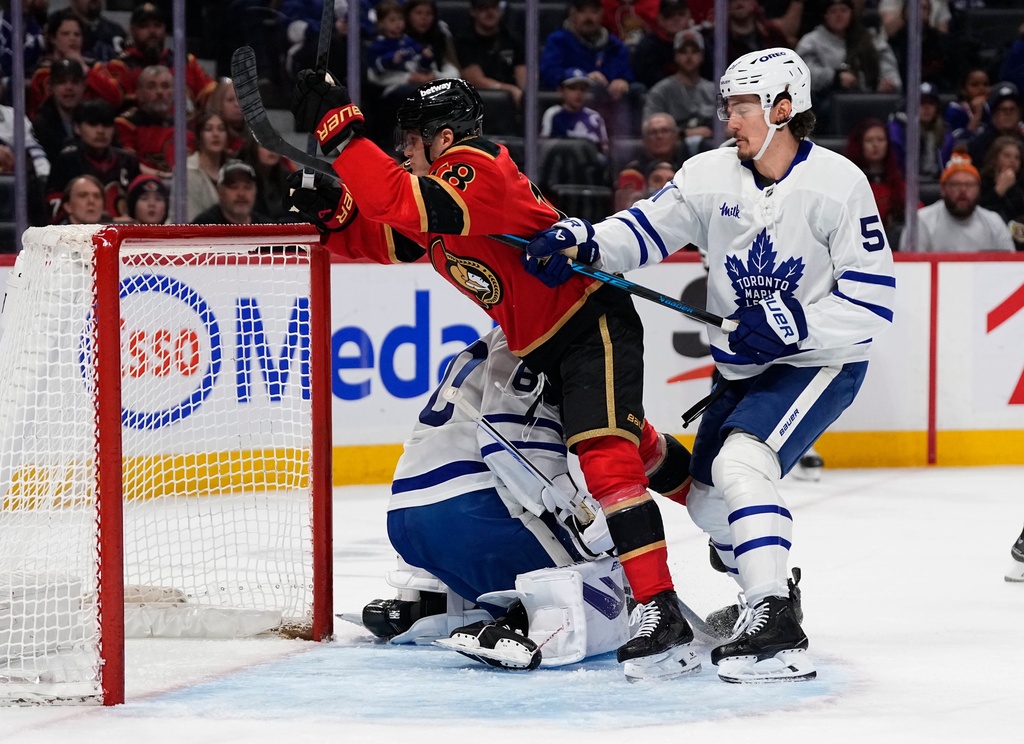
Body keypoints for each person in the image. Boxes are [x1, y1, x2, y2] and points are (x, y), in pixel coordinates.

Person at [286, 74, 699, 680]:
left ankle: (660, 611)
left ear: (443, 138)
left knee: (606, 457)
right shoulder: (438, 191)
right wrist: (336, 215)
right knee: (634, 441)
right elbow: (387, 237)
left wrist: (345, 135)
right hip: (539, 345)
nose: (403, 150)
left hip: (589, 325)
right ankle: (723, 510)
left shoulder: (477, 166)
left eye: (410, 140)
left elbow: (403, 202)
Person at [524, 47, 897, 683]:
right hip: (741, 368)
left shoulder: (839, 184)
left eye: (744, 106)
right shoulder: (708, 175)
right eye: (728, 105)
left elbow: (874, 301)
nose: (729, 118)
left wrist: (793, 323)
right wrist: (582, 239)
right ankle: (771, 586)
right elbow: (641, 231)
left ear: (784, 109)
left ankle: (774, 617)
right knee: (705, 500)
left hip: (823, 362)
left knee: (741, 462)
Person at [357, 326, 684, 669]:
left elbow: (641, 448)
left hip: (406, 519)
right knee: (600, 596)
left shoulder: (506, 335)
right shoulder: (553, 344)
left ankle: (432, 604)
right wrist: (585, 522)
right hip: (472, 514)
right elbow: (510, 447)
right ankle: (521, 622)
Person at [795, 0, 901, 121]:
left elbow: (887, 65)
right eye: (833, 11)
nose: (839, 15)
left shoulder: (870, 38)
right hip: (826, 100)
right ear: (825, 15)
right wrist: (835, 77)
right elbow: (802, 73)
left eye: (843, 10)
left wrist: (888, 82)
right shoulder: (811, 41)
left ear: (851, 13)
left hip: (868, 95)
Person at [901, 149, 1016, 253]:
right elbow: (911, 266)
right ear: (943, 189)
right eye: (956, 185)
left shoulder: (993, 221)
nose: (963, 191)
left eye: (969, 185)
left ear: (978, 189)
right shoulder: (921, 220)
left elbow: (1009, 265)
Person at [107, 2, 216, 112]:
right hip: (139, 127)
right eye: (144, 26)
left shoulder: (184, 61)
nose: (152, 31)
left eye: (157, 25)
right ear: (133, 30)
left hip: (185, 126)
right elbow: (116, 100)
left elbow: (212, 94)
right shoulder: (122, 65)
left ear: (165, 29)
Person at [46, 99, 139, 223]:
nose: (100, 131)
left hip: (122, 230)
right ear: (77, 128)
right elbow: (55, 206)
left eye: (106, 125)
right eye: (93, 124)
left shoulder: (128, 160)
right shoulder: (67, 160)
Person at [27, 9, 122, 120]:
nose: (73, 39)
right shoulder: (43, 74)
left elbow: (116, 98)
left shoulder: (94, 67)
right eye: (65, 34)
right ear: (53, 39)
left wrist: (84, 68)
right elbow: (49, 109)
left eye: (77, 34)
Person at [642, 27, 715, 159]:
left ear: (702, 56)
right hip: (673, 153)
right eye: (683, 52)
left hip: (712, 150)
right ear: (675, 56)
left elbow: (730, 125)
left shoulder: (714, 90)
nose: (689, 57)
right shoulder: (661, 91)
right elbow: (649, 127)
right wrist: (683, 133)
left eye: (694, 52)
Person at [115, 64, 191, 177]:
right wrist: (163, 175)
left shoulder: (182, 125)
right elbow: (128, 163)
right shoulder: (126, 124)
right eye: (151, 87)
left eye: (165, 86)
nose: (159, 92)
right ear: (139, 93)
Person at [454, 0, 526, 107]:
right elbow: (475, 80)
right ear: (473, 12)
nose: (490, 12)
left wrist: (523, 95)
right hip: (476, 104)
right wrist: (510, 89)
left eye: (494, 7)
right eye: (483, 8)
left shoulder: (512, 39)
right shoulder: (464, 41)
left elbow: (524, 79)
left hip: (511, 105)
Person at [845, 117, 906, 231]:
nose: (875, 145)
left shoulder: (896, 180)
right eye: (869, 140)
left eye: (880, 140)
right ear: (860, 144)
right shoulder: (848, 180)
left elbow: (917, 212)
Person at [887, 82, 954, 182]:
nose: (927, 108)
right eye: (921, 103)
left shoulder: (945, 133)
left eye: (931, 103)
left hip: (937, 182)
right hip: (906, 183)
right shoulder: (899, 128)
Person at [540, 68, 609, 155]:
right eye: (572, 88)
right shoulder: (553, 114)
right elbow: (545, 147)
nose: (578, 93)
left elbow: (603, 149)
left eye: (582, 89)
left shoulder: (595, 117)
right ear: (561, 91)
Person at [31, 58, 88, 163]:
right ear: (50, 87)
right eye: (61, 82)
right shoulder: (40, 124)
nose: (69, 87)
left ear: (84, 85)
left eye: (75, 81)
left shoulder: (92, 117)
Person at [631, 0, 693, 91]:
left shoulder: (699, 42)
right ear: (659, 18)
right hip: (659, 97)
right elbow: (650, 80)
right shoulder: (648, 46)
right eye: (668, 15)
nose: (676, 19)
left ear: (689, 16)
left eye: (681, 14)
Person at [192, 161, 271, 225]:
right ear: (220, 191)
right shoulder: (203, 227)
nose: (241, 194)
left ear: (255, 191)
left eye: (247, 187)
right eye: (234, 187)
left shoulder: (267, 228)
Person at [979, 136, 1024, 247]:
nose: (1012, 161)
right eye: (1007, 156)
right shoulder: (981, 182)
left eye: (1017, 158)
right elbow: (979, 213)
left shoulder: (1021, 186)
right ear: (994, 158)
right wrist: (999, 190)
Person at [186, 112, 231, 221]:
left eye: (221, 129)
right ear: (199, 136)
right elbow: (190, 217)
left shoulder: (235, 169)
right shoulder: (187, 170)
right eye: (209, 129)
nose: (216, 134)